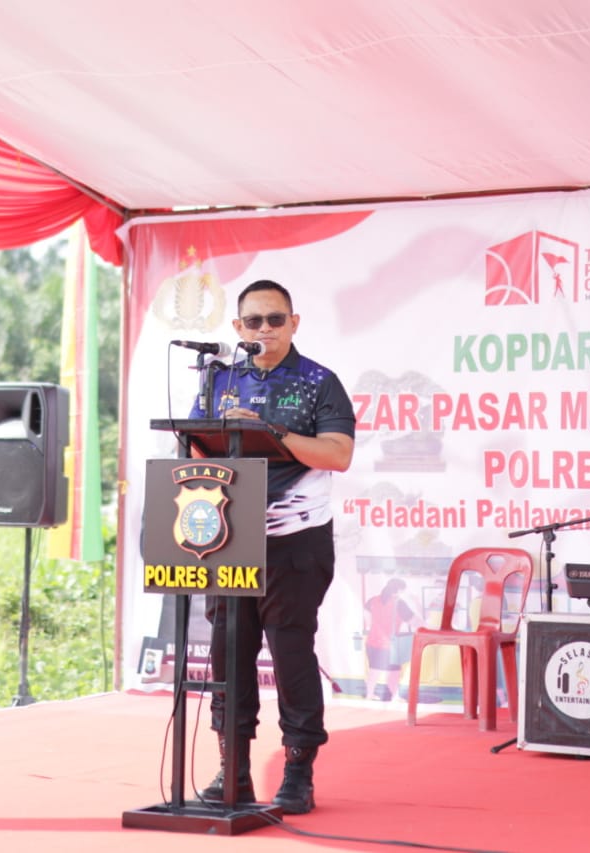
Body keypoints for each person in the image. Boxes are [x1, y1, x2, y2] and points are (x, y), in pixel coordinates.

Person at [189, 279, 355, 815]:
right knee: (228, 654)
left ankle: (298, 772)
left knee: (290, 654)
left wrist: (270, 433)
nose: (265, 330)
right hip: (228, 537)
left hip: (295, 540)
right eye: (254, 322)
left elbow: (338, 454)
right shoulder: (220, 378)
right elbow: (194, 441)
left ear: (294, 323)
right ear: (238, 329)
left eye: (275, 320)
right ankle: (231, 768)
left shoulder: (318, 382)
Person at [363, 578, 418, 702]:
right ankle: (395, 696)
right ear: (398, 590)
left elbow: (367, 620)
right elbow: (413, 621)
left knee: (374, 670)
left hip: (373, 641)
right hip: (391, 644)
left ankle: (369, 695)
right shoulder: (399, 603)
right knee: (394, 671)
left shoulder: (372, 600)